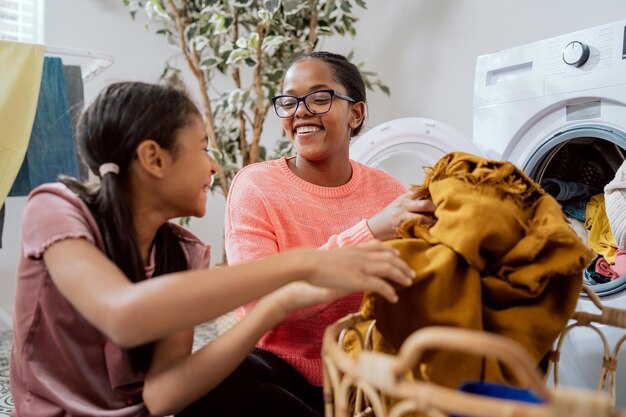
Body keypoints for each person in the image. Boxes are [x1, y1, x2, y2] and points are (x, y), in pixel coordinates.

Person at [9, 81, 416, 417]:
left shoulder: (182, 252)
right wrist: (306, 263)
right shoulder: (57, 209)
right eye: (203, 148)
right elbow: (125, 315)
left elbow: (164, 396)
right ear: (154, 158)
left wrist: (280, 304)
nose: (214, 167)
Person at [224, 51, 437, 415]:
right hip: (276, 369)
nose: (300, 111)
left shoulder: (388, 191)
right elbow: (260, 301)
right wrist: (371, 231)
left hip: (362, 371)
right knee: (224, 380)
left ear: (356, 113)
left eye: (320, 98)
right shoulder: (255, 185)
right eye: (289, 101)